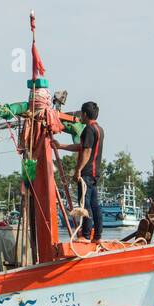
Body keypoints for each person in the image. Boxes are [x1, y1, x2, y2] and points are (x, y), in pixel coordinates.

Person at [53, 101, 104, 241]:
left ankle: (86, 235)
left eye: (81, 113)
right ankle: (97, 236)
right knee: (94, 205)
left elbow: (86, 152)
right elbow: (81, 147)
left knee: (84, 204)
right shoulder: (99, 129)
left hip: (86, 173)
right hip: (94, 173)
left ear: (85, 114)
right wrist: (60, 146)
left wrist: (78, 171)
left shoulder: (88, 129)